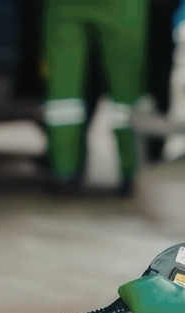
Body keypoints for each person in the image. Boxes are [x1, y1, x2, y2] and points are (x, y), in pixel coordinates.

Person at [43, 0, 149, 194]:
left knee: (64, 95)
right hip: (121, 7)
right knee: (125, 93)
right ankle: (131, 170)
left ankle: (64, 169)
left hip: (65, 7)